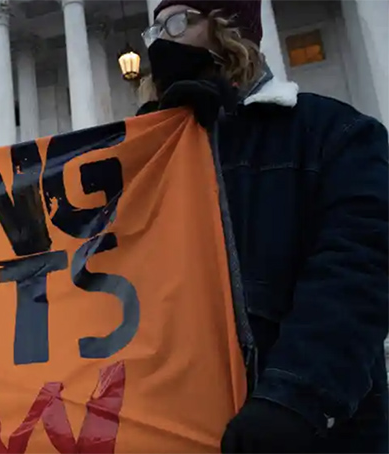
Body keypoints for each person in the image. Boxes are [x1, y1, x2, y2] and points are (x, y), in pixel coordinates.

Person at [138, 1, 388, 452]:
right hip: (178, 425)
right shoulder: (150, 162)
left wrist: (295, 398)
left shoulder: (335, 132)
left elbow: (359, 271)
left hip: (301, 430)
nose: (162, 39)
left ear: (228, 27)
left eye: (177, 22)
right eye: (154, 29)